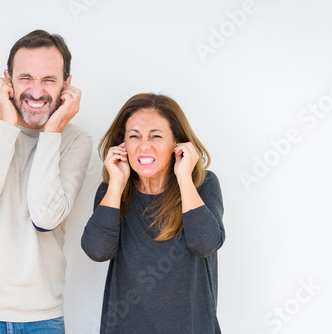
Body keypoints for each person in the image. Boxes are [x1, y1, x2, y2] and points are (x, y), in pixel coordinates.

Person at [0, 29, 92, 333]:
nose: (36, 91)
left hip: (40, 318)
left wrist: (53, 131)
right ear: (7, 80)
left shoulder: (76, 140)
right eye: (26, 78)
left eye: (49, 79)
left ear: (67, 85)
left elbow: (44, 217)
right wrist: (8, 124)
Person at [81, 93, 225, 333]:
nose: (143, 146)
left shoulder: (202, 184)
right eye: (134, 136)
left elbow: (206, 243)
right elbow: (97, 251)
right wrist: (116, 183)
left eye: (156, 136)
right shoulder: (112, 191)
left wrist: (184, 178)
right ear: (122, 145)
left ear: (177, 144)